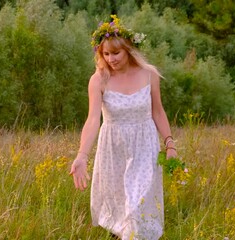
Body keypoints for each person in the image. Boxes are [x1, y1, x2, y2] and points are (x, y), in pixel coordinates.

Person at [70, 15, 177, 240]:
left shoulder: (149, 74)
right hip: (113, 150)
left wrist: (169, 144)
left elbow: (158, 111)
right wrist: (81, 156)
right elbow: (92, 120)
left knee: (138, 208)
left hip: (144, 147)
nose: (111, 59)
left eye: (116, 53)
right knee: (119, 213)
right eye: (105, 54)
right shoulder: (98, 80)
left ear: (128, 49)